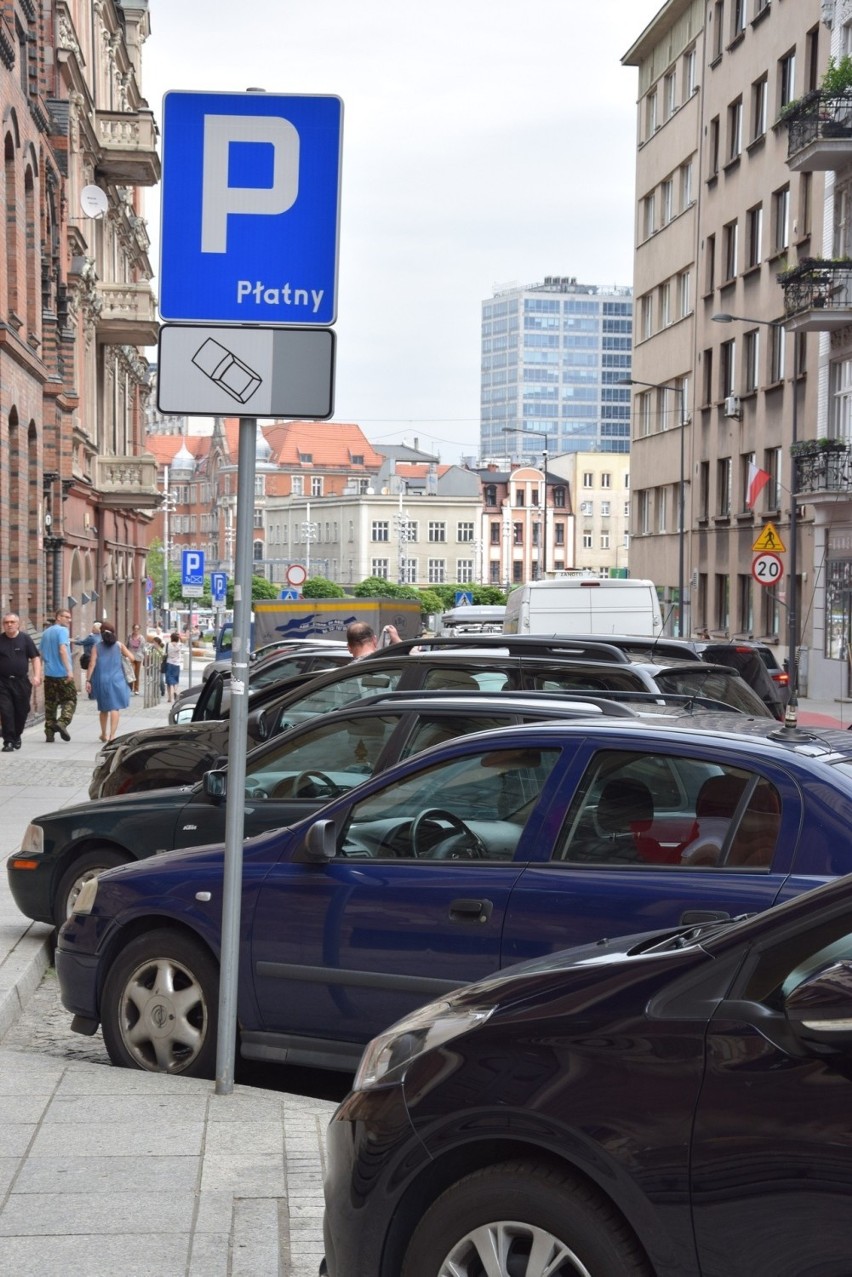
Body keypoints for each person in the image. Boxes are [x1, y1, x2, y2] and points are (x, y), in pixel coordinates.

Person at [0, 613, 42, 751]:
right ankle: (8, 741)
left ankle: (17, 735)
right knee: (6, 711)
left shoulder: (25, 639)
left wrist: (37, 675)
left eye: (12, 622)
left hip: (21, 682)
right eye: (6, 622)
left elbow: (35, 658)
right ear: (3, 625)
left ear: (18, 624)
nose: (9, 624)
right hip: (3, 682)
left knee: (21, 711)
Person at [85, 621, 132, 742]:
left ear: (101, 633)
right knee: (115, 708)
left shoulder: (97, 647)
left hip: (102, 680)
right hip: (118, 679)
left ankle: (103, 734)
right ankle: (112, 735)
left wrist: (88, 680)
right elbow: (132, 657)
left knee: (104, 709)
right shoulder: (119, 645)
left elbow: (91, 664)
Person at [40, 608, 76, 742]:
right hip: (62, 674)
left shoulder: (46, 633)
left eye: (69, 617)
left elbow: (42, 653)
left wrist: (45, 667)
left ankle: (49, 733)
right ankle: (62, 722)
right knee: (70, 700)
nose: (69, 620)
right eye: (66, 617)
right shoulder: (62, 631)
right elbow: (62, 650)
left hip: (49, 674)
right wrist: (69, 670)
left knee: (50, 703)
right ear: (58, 617)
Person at [77, 622, 101, 699]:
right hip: (99, 658)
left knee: (91, 676)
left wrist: (70, 640)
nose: (92, 629)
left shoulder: (92, 637)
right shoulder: (101, 637)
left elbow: (81, 642)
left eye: (93, 627)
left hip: (91, 658)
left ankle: (92, 694)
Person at [125, 623, 146, 695]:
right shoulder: (129, 636)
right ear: (133, 629)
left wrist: (145, 656)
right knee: (131, 672)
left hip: (139, 657)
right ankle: (130, 687)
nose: (136, 630)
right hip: (131, 656)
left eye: (137, 629)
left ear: (139, 630)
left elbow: (143, 648)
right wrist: (125, 654)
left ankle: (136, 689)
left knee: (137, 673)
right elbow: (126, 646)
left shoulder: (141, 638)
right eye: (134, 629)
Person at [164, 630, 183, 702]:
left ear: (171, 638)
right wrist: (179, 637)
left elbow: (165, 653)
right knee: (175, 680)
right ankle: (175, 691)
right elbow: (183, 641)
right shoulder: (179, 645)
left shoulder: (168, 645)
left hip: (169, 664)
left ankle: (170, 698)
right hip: (177, 665)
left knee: (169, 682)